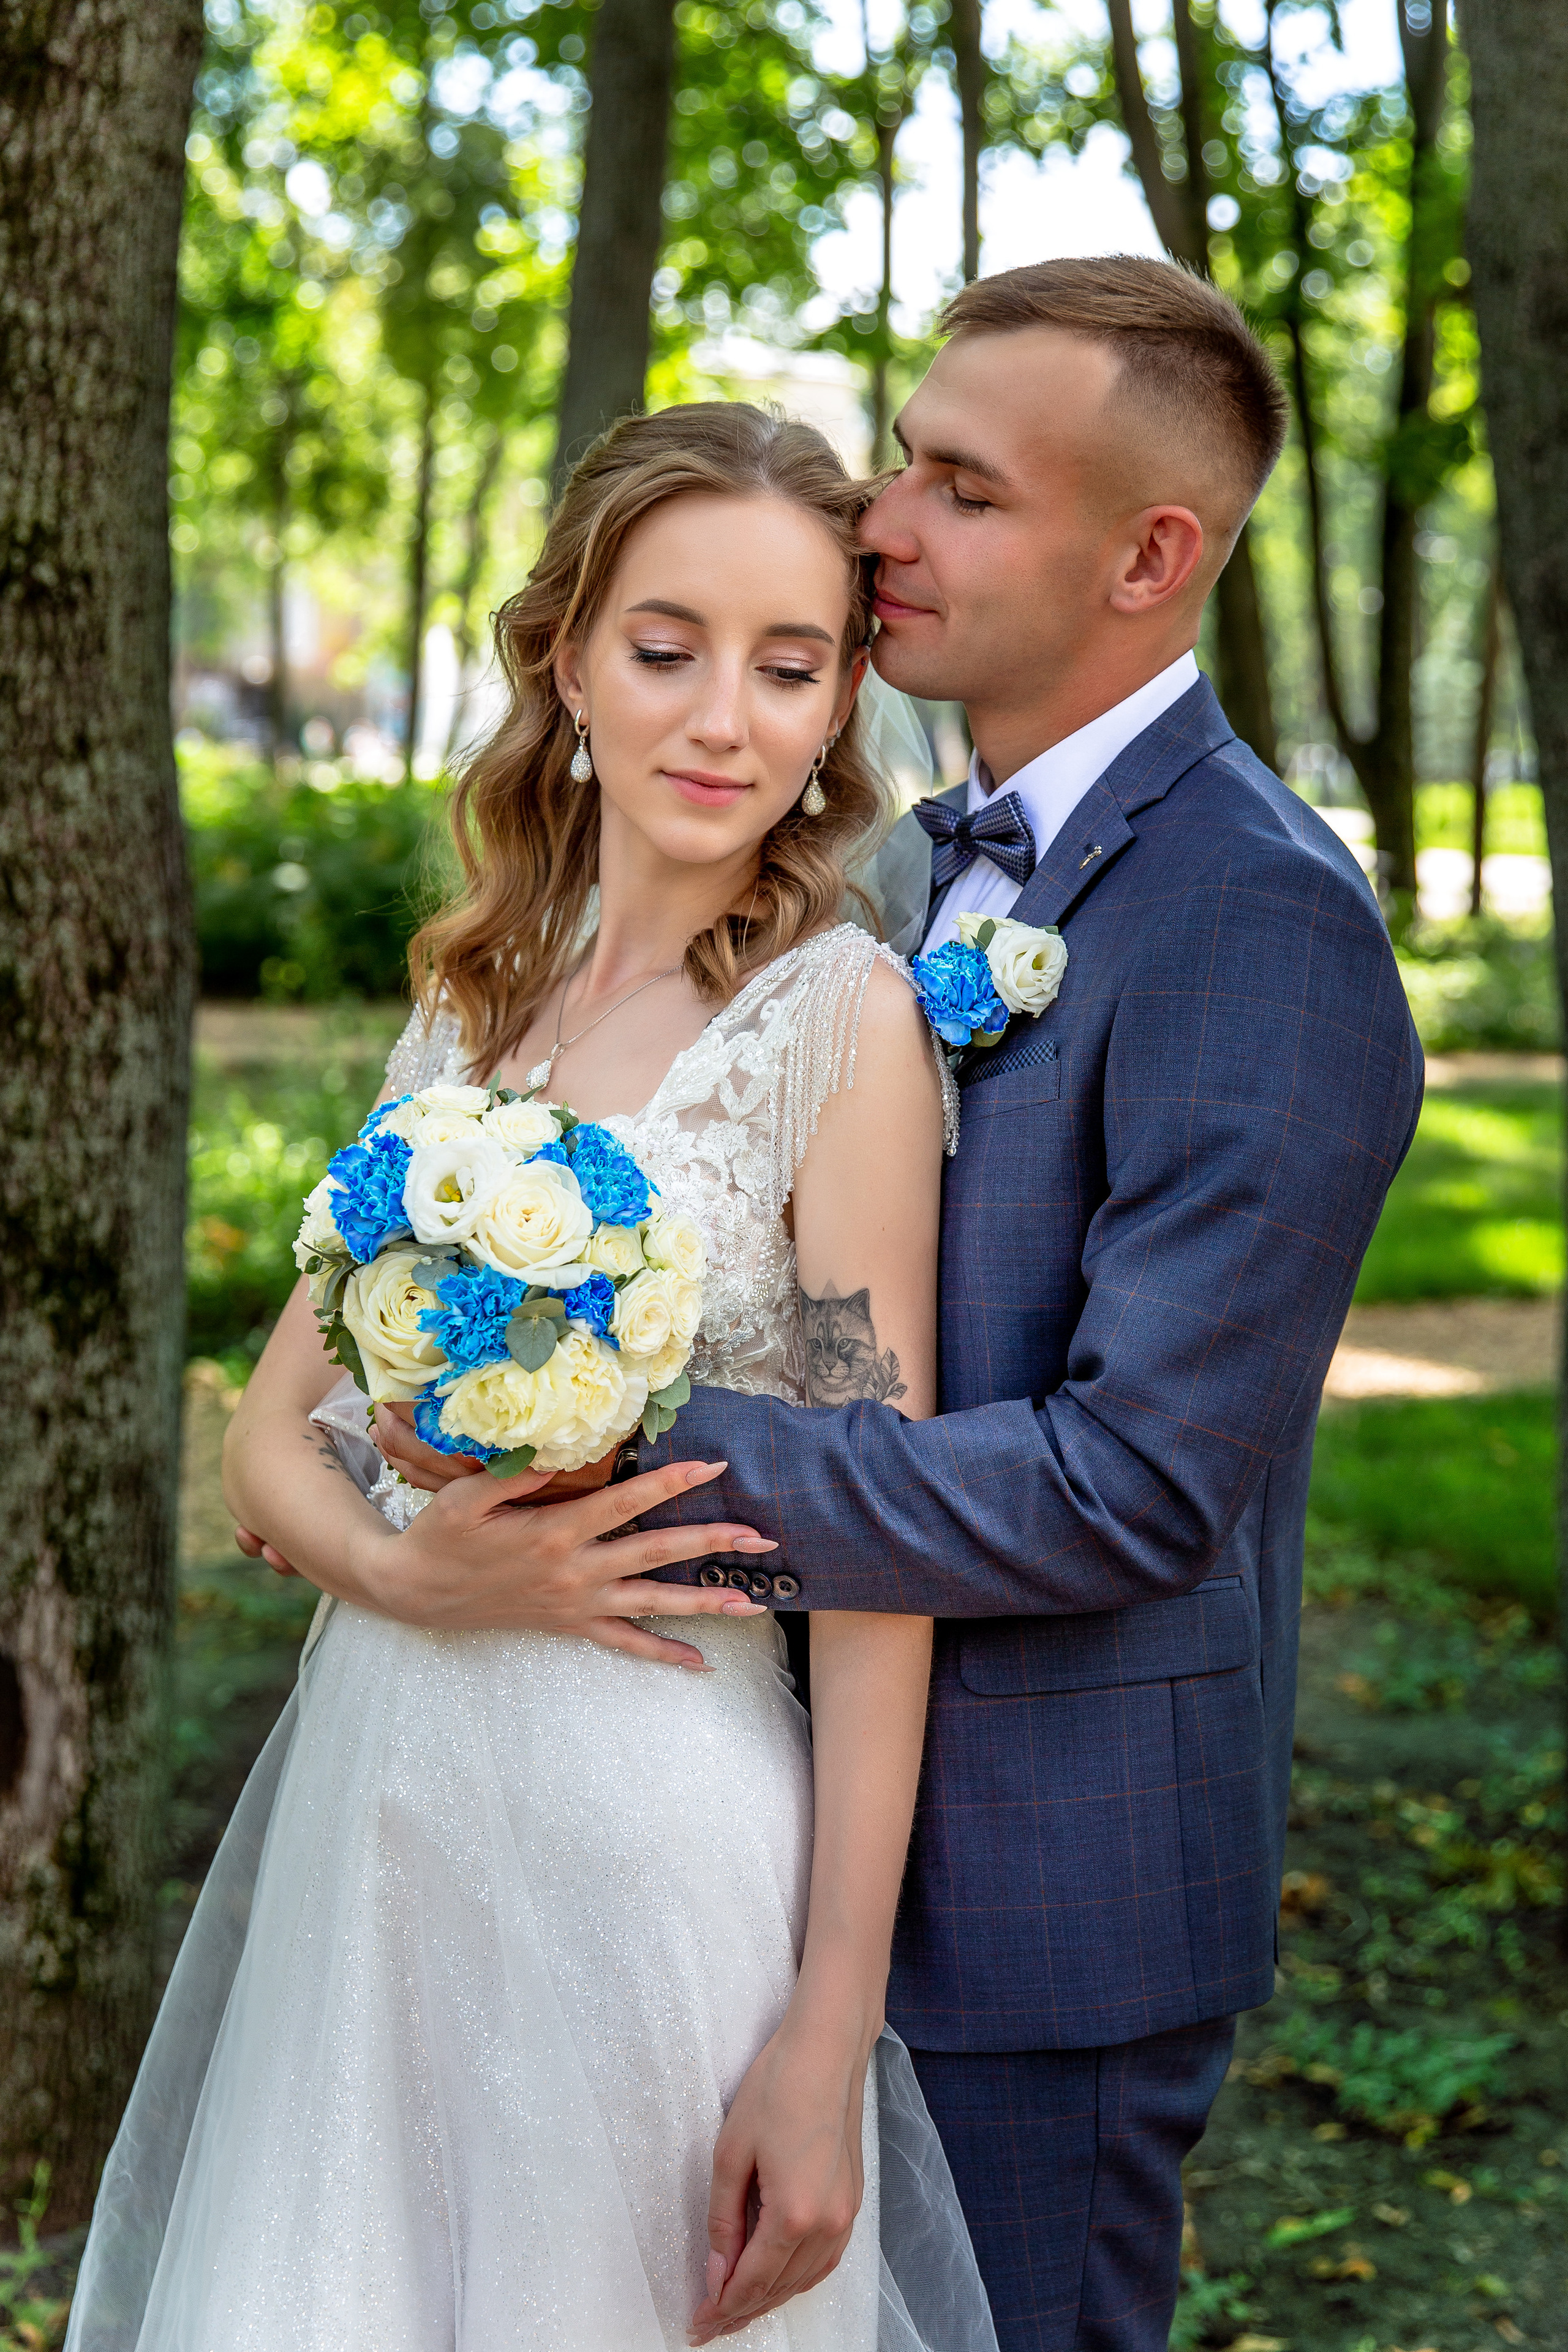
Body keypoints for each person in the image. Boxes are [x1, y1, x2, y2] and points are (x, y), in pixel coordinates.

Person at [361, 258, 1426, 2350]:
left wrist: (617, 1432)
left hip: (1042, 1904)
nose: (882, 527)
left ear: (1151, 555)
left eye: (958, 485)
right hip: (736, 1838)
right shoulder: (908, 875)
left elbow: (1139, 1486)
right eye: (900, 463)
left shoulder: (1260, 917)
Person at [64, 405, 999, 2352]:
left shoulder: (845, 1028)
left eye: (790, 663)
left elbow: (885, 1555)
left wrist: (832, 2031)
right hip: (387, 1821)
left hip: (650, 1840)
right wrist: (417, 1572)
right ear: (568, 659)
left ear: (842, 706)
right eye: (666, 648)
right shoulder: (482, 993)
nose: (723, 717)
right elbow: (268, 1436)